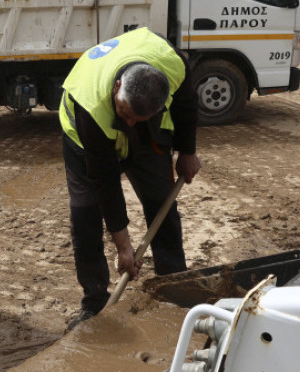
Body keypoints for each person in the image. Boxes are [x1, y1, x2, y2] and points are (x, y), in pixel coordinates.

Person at [60, 28, 202, 329]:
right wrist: (124, 249)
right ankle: (94, 300)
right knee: (86, 216)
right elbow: (105, 182)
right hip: (85, 144)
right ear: (118, 87)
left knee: (161, 204)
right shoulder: (92, 103)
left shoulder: (174, 65)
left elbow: (187, 104)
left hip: (146, 141)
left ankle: (173, 285)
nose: (130, 123)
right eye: (125, 115)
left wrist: (187, 152)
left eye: (138, 118)